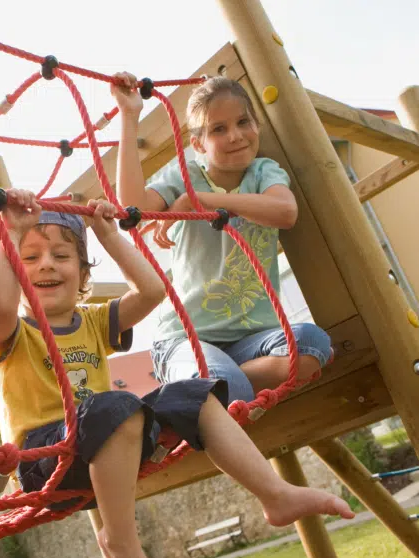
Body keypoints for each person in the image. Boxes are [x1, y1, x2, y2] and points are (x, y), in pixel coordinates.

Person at [0, 191, 353, 558]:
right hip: (44, 461)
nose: (46, 263)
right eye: (29, 258)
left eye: (61, 255)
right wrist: (8, 233)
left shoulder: (96, 321)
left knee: (192, 393)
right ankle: (121, 540)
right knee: (116, 405)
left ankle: (273, 493)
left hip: (108, 443)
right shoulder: (11, 330)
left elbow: (154, 290)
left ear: (82, 273)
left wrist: (108, 235)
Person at [111, 72, 333, 403]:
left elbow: (285, 212)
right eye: (219, 129)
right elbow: (132, 208)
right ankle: (204, 383)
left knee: (313, 345)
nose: (236, 136)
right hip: (187, 337)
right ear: (198, 144)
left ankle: (203, 387)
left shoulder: (263, 172)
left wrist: (204, 202)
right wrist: (129, 116)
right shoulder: (186, 175)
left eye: (244, 122)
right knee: (226, 382)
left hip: (254, 339)